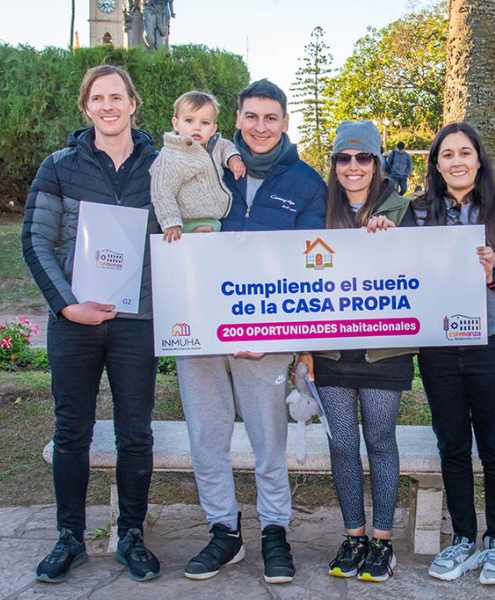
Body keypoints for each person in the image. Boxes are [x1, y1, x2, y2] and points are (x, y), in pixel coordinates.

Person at [176, 79, 326, 584]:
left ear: (285, 123)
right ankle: (224, 530)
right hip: (199, 329)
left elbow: (312, 269)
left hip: (267, 338)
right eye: (251, 117)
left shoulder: (307, 184)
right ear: (236, 120)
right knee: (207, 436)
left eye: (271, 118)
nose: (260, 127)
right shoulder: (204, 164)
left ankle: (274, 532)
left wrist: (289, 336)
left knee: (268, 441)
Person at [23, 65, 161, 584]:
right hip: (75, 322)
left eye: (116, 97)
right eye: (97, 98)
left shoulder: (161, 166)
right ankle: (70, 539)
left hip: (137, 321)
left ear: (133, 103)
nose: (108, 106)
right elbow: (35, 241)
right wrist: (66, 306)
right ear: (86, 108)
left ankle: (131, 536)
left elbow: (193, 220)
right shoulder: (59, 166)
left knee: (135, 434)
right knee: (71, 431)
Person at [413, 122, 495, 586]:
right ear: (437, 164)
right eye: (447, 154)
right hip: (440, 346)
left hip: (494, 343)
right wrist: (383, 233)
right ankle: (464, 537)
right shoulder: (422, 212)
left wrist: (493, 277)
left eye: (465, 152)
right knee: (451, 444)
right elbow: (399, 270)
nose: (457, 161)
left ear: (479, 159)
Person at [297, 120, 415, 583]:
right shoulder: (318, 212)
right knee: (342, 444)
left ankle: (382, 541)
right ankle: (354, 535)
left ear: (378, 162)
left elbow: (422, 270)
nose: (352, 167)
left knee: (380, 441)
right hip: (330, 351)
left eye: (362, 157)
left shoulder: (404, 209)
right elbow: (296, 284)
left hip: (384, 350)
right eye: (343, 159)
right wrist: (302, 350)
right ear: (333, 165)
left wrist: (394, 238)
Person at [149, 91, 246, 242]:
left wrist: (233, 158)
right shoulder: (171, 155)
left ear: (213, 128)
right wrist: (171, 222)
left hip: (214, 220)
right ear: (176, 123)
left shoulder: (214, 144)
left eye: (205, 123)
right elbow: (161, 190)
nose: (197, 127)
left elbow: (226, 146)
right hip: (187, 224)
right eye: (189, 120)